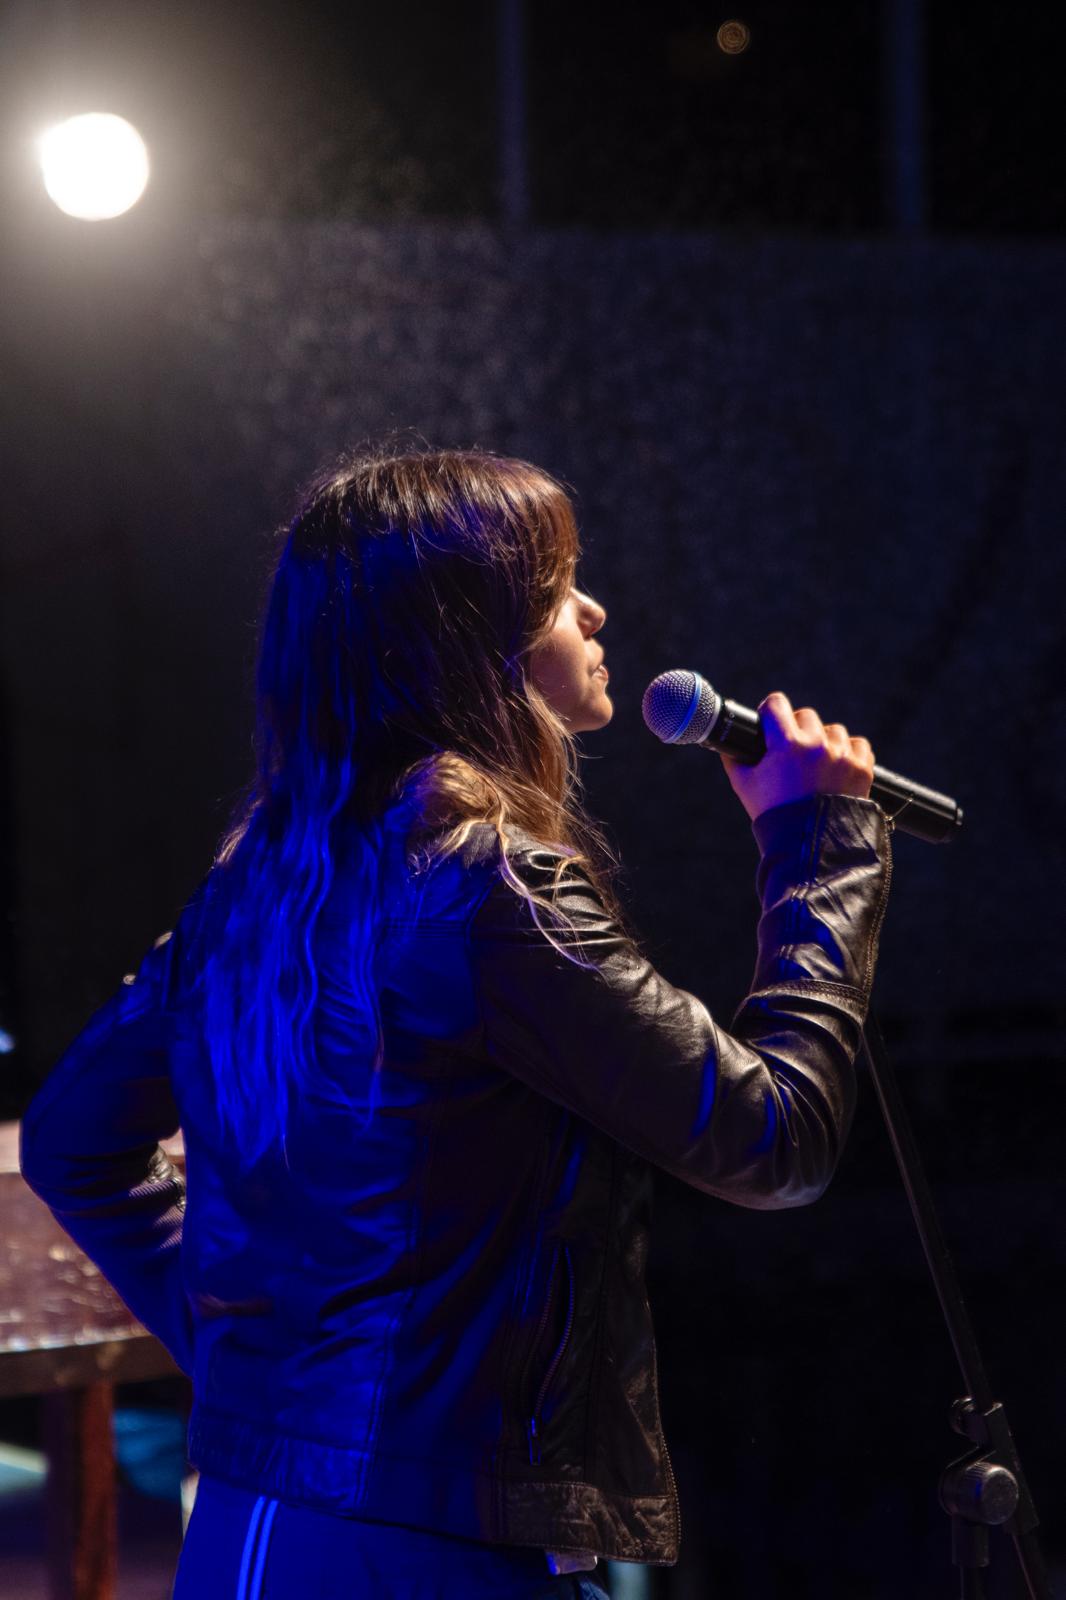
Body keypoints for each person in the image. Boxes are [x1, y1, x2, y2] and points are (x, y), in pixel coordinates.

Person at [19, 447, 892, 1599]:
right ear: (473, 641)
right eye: (557, 588)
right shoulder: (487, 889)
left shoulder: (260, 888)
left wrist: (255, 1363)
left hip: (252, 1530)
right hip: (425, 1550)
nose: (593, 610)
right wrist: (818, 851)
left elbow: (69, 1141)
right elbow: (773, 1140)